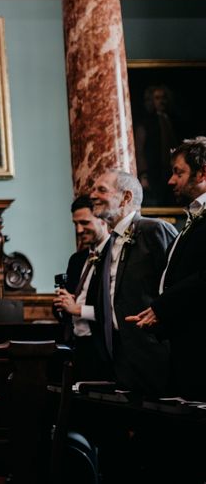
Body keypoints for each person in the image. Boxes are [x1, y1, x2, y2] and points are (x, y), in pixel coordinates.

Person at [127, 137, 206, 400]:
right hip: (184, 345)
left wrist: (163, 308)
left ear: (202, 172)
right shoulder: (193, 216)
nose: (171, 181)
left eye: (178, 172)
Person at [88, 169, 176, 395]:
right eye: (93, 189)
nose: (92, 195)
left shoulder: (154, 230)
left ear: (126, 197)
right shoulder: (110, 243)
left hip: (155, 354)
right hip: (120, 354)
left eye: (101, 190)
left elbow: (175, 285)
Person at [53, 196, 112, 381]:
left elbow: (116, 308)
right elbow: (67, 308)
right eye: (75, 224)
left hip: (104, 347)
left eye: (85, 222)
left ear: (103, 219)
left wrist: (77, 309)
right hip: (77, 346)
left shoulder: (115, 255)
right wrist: (61, 304)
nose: (79, 230)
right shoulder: (77, 260)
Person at [134, 84, 185, 206]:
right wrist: (143, 174)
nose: (161, 101)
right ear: (151, 100)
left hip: (172, 170)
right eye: (157, 98)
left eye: (164, 98)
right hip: (153, 172)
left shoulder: (175, 121)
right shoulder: (145, 123)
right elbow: (139, 150)